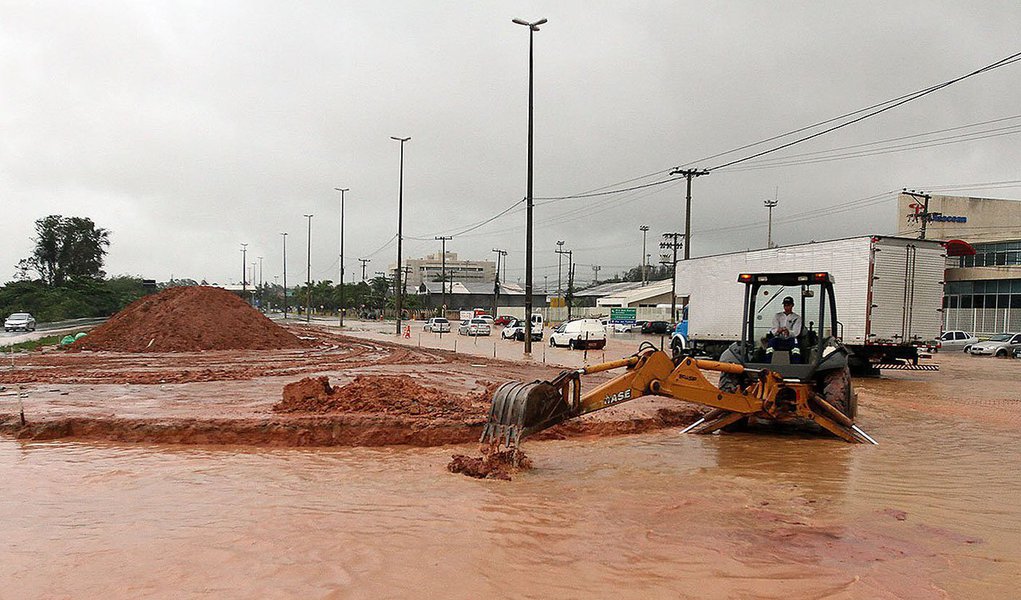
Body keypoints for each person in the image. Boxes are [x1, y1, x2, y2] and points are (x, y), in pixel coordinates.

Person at [767, 296, 802, 363]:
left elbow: (796, 332)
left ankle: (796, 365)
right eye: (785, 305)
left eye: (788, 305)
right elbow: (774, 329)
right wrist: (778, 330)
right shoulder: (777, 316)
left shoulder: (797, 318)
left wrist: (788, 332)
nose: (786, 307)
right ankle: (767, 364)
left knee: (796, 348)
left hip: (790, 339)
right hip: (778, 338)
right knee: (770, 345)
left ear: (792, 305)